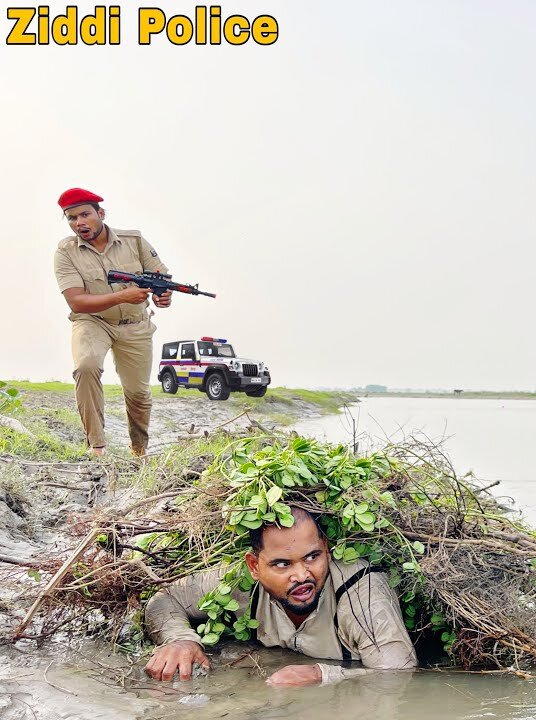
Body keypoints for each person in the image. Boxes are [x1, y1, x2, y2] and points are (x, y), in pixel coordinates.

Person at [143, 506, 417, 686]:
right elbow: (166, 597)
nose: (302, 575)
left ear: (327, 550)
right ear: (254, 566)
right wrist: (180, 640)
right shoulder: (235, 582)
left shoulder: (362, 593)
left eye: (312, 556)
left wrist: (322, 674)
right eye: (282, 564)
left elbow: (398, 673)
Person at [52, 188, 171, 456]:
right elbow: (76, 301)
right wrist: (123, 296)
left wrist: (164, 297)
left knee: (139, 394)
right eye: (71, 218)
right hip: (92, 321)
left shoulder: (134, 240)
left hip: (135, 324)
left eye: (85, 214)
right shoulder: (65, 252)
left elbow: (160, 277)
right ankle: (98, 447)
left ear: (101, 213)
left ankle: (139, 450)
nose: (79, 223)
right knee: (85, 366)